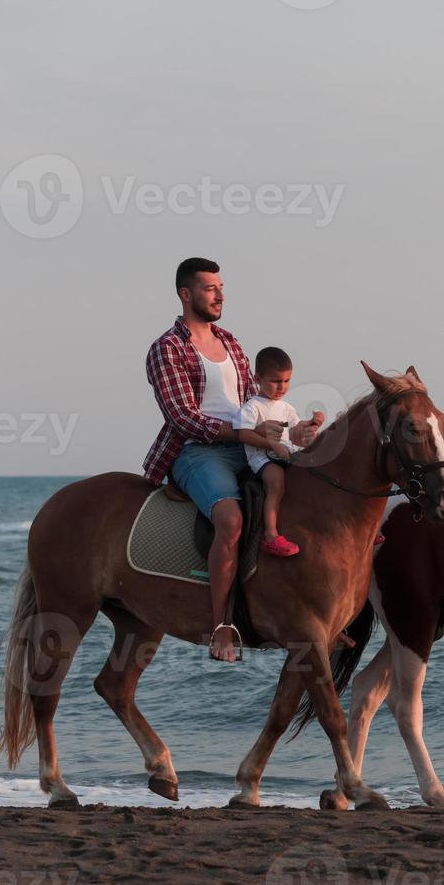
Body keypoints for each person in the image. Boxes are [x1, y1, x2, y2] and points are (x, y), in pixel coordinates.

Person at [143, 257, 296, 663]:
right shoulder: (167, 348)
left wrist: (283, 429)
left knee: (304, 493)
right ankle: (221, 628)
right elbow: (181, 416)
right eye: (211, 288)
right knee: (230, 519)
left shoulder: (230, 342)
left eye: (221, 287)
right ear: (186, 293)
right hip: (195, 451)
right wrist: (244, 434)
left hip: (245, 446)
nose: (220, 295)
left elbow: (253, 402)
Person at [234, 346, 325, 557]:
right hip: (261, 458)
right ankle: (271, 534)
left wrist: (312, 423)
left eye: (286, 381)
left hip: (285, 453)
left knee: (315, 475)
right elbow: (243, 434)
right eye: (275, 381)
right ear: (257, 378)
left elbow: (295, 432)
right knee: (276, 480)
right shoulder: (252, 407)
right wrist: (272, 445)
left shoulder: (285, 407)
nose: (281, 386)